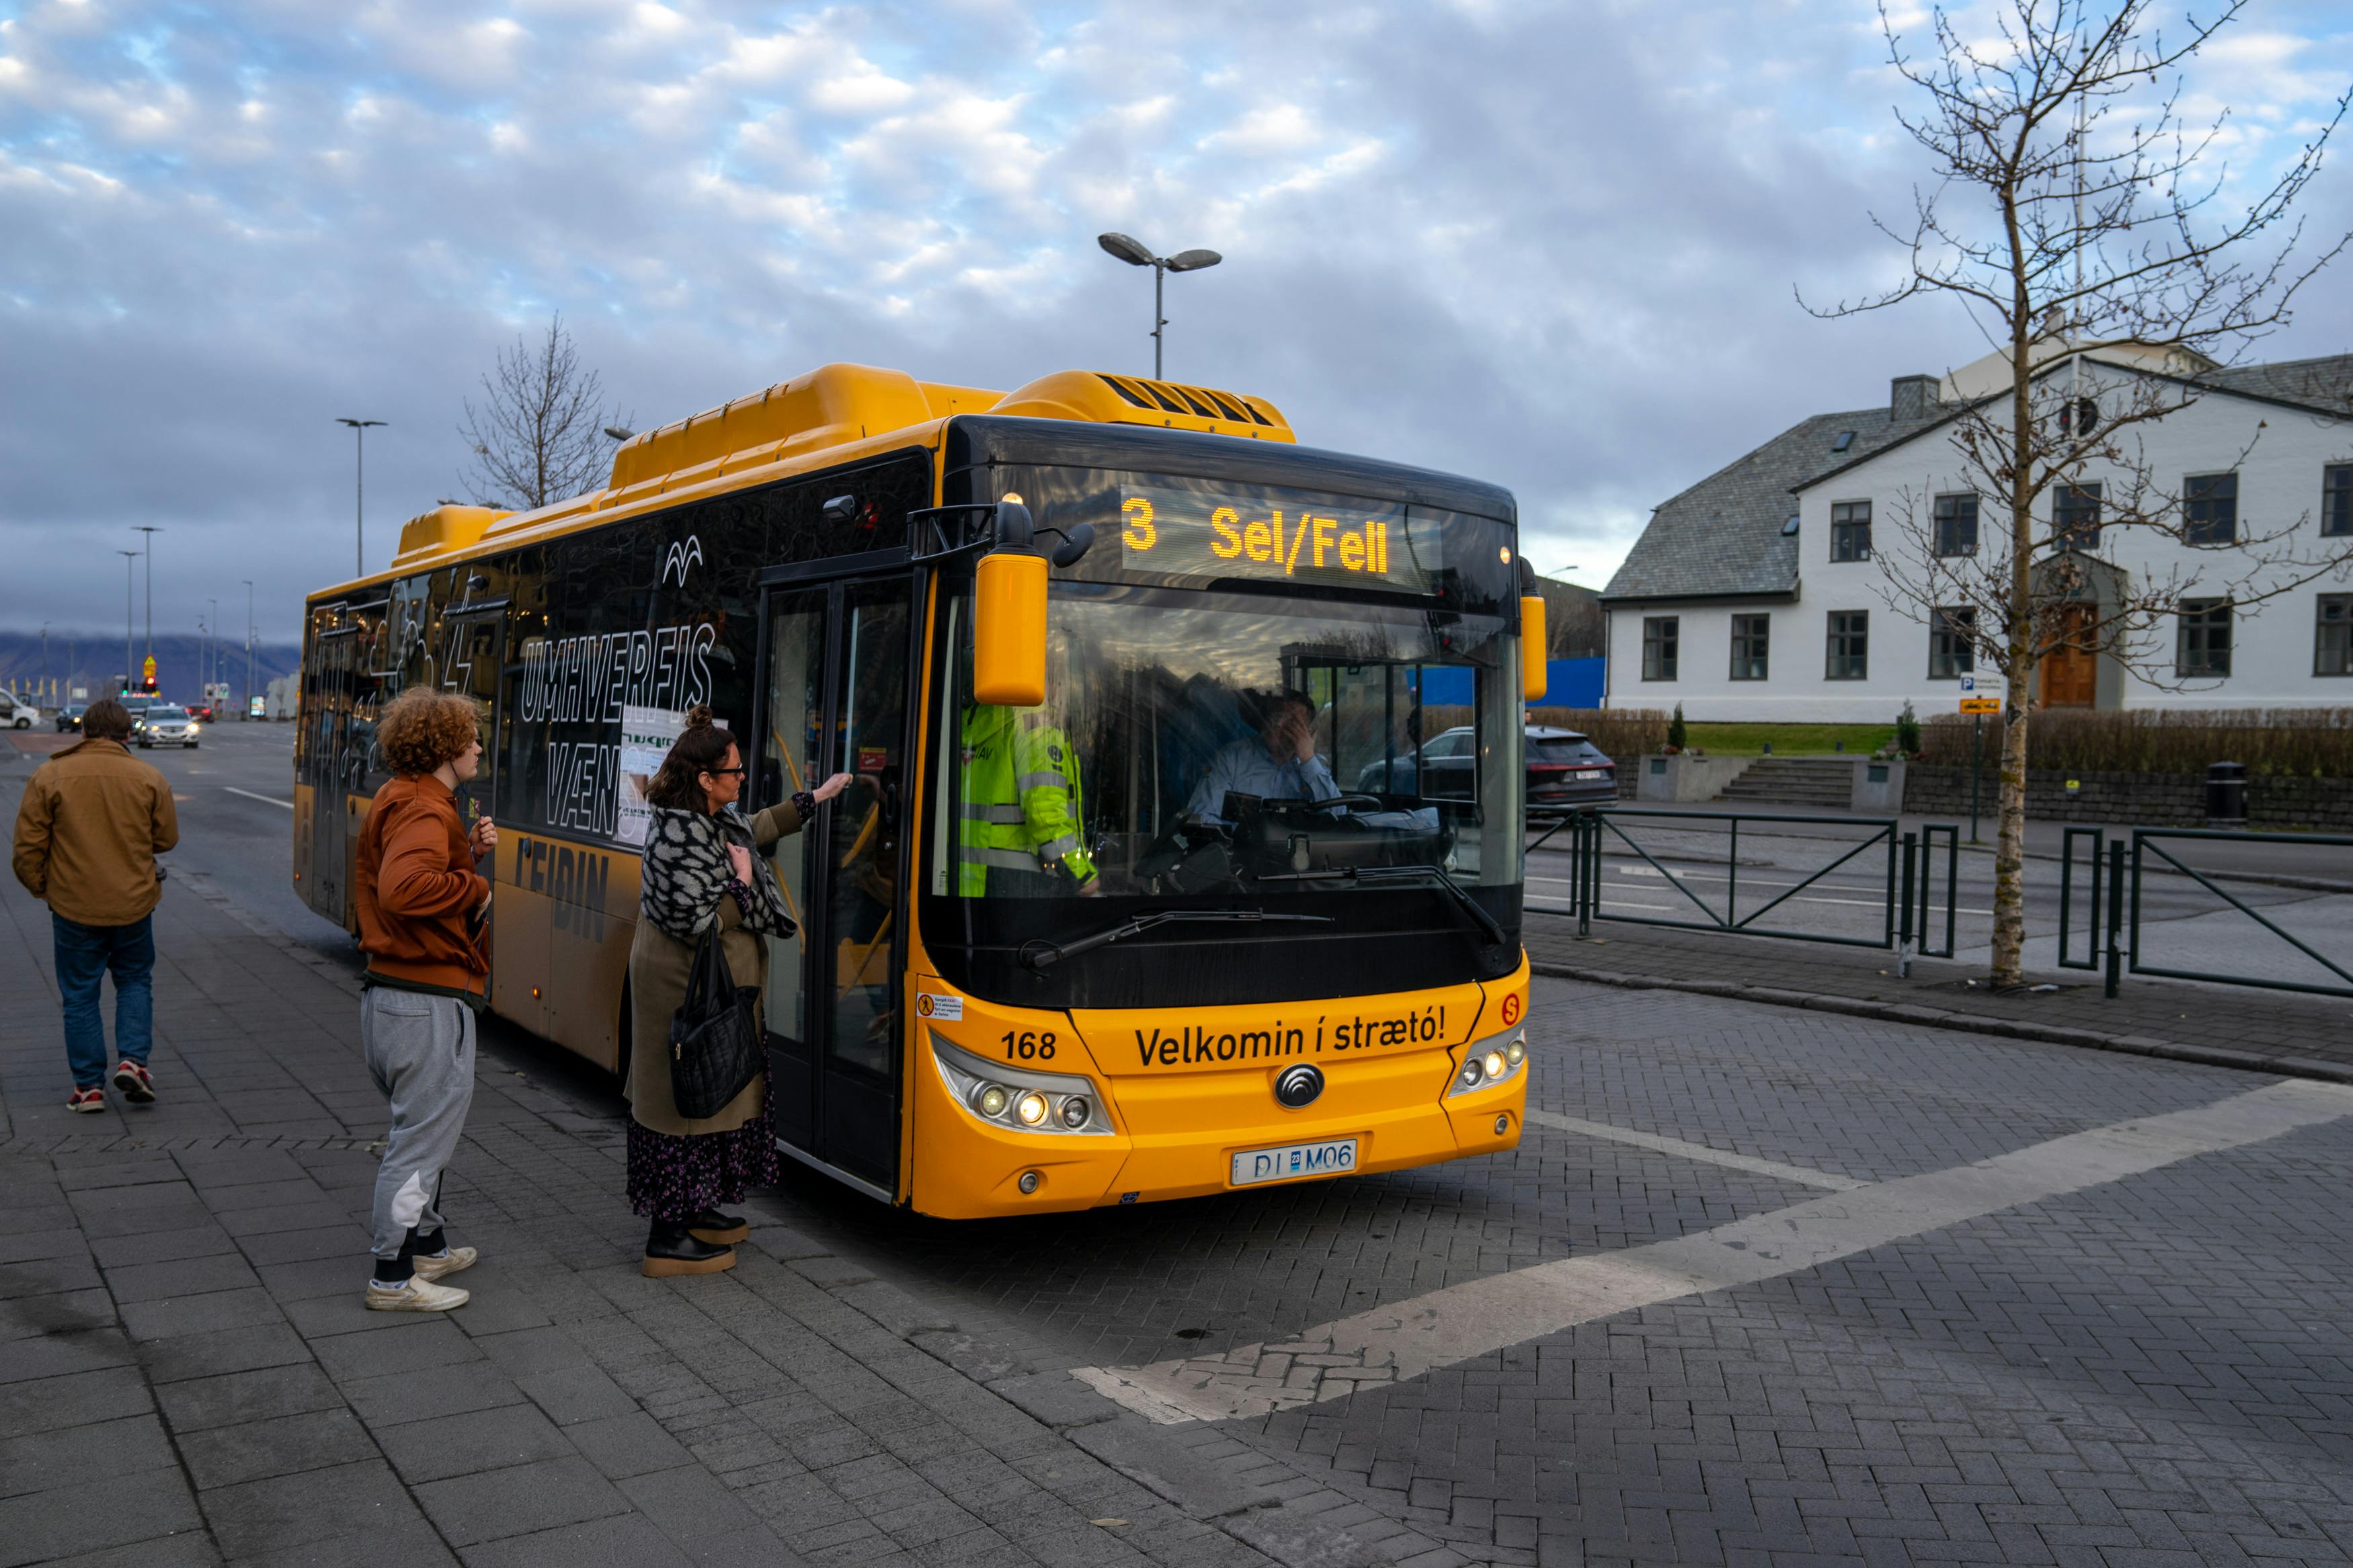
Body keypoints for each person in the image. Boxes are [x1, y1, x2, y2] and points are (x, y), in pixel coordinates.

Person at [629, 706, 849, 1277]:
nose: (741, 778)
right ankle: (667, 1236)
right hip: (683, 997)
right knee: (683, 1104)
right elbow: (698, 921)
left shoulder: (712, 818)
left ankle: (695, 1209)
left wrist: (817, 797)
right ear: (705, 779)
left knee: (709, 1100)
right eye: (733, 772)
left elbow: (758, 825)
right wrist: (743, 887)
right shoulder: (679, 831)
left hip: (709, 993)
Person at [352, 687, 496, 1313]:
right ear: (443, 746)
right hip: (425, 1003)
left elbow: (407, 874)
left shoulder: (405, 797)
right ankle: (391, 1275)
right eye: (470, 737)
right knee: (421, 1139)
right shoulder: (425, 808)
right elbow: (404, 888)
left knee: (419, 1129)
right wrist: (474, 885)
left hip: (392, 999)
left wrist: (468, 850)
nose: (478, 746)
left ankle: (428, 1242)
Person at [11, 697, 178, 1112]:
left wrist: (45, 889)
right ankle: (133, 1063)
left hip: (73, 908)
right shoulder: (149, 777)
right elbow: (166, 840)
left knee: (80, 994)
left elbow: (27, 849)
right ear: (127, 734)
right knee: (135, 981)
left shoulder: (49, 776)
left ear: (83, 732)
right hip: (134, 905)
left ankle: (88, 1089)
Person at [958, 701, 1099, 896]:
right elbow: (1044, 813)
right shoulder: (1036, 723)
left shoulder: (971, 719)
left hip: (965, 882)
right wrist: (1081, 874)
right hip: (1017, 886)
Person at [1185, 690, 1341, 827]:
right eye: (1275, 716)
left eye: (1291, 721)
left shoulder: (1313, 768)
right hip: (1240, 854)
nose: (1278, 724)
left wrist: (1308, 758)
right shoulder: (1233, 758)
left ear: (1307, 732)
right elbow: (1202, 815)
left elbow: (1338, 816)